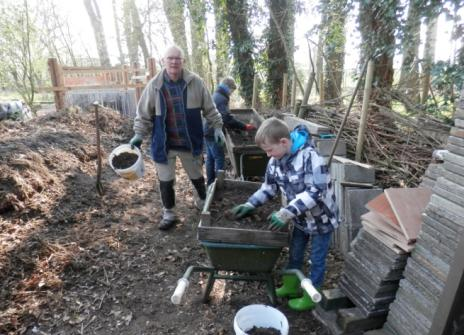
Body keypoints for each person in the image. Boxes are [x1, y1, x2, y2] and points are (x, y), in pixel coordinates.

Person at [231, 117, 339, 311]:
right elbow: (269, 188)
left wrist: (286, 212)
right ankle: (291, 285)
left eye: (269, 150)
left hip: (321, 220)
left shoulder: (311, 157)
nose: (267, 155)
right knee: (295, 253)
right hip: (299, 220)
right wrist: (250, 204)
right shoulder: (275, 161)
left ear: (284, 142)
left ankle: (310, 295)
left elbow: (316, 192)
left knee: (316, 259)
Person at [130, 45, 225, 231]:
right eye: (170, 58)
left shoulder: (195, 83)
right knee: (165, 181)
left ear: (183, 61)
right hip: (164, 144)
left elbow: (210, 109)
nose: (174, 61)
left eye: (178, 58)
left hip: (189, 142)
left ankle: (202, 203)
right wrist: (138, 134)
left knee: (197, 177)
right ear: (163, 61)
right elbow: (143, 114)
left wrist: (218, 127)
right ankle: (169, 212)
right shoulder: (154, 86)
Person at [204, 77, 256, 185]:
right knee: (219, 158)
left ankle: (210, 184)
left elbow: (224, 115)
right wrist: (244, 126)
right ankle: (219, 184)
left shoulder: (217, 95)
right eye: (232, 90)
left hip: (207, 130)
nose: (232, 93)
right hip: (213, 132)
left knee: (210, 158)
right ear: (228, 87)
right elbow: (226, 118)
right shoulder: (221, 98)